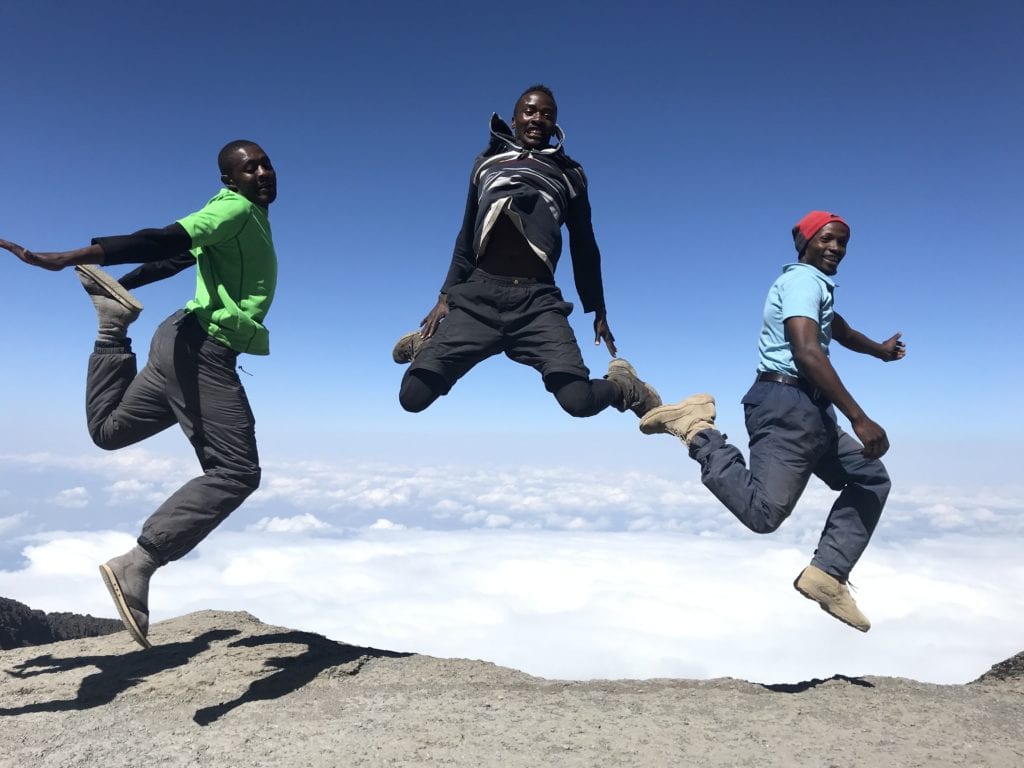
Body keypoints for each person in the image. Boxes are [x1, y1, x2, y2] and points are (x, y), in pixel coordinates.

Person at [0, 140, 278, 648]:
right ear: (229, 179)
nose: (262, 172)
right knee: (237, 471)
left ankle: (111, 328)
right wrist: (74, 257)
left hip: (176, 342)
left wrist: (121, 285)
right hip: (201, 350)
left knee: (109, 432)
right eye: (249, 167)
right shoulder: (233, 208)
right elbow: (163, 237)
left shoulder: (246, 218)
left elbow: (174, 257)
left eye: (265, 163)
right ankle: (139, 563)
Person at [639, 211, 906, 631]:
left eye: (843, 243)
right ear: (804, 243)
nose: (836, 248)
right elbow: (806, 352)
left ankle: (827, 575)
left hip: (810, 409)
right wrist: (859, 417)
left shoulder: (818, 289)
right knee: (764, 514)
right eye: (827, 240)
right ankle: (697, 429)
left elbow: (841, 331)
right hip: (786, 405)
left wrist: (880, 351)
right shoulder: (802, 281)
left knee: (871, 477)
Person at [393, 84, 660, 420]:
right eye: (530, 111)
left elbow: (584, 243)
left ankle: (625, 386)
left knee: (578, 401)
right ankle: (426, 347)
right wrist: (445, 294)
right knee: (412, 397)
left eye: (547, 114)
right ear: (515, 119)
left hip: (537, 304)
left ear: (555, 124)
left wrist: (598, 307)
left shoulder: (570, 173)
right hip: (478, 298)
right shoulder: (486, 164)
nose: (538, 119)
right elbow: (467, 232)